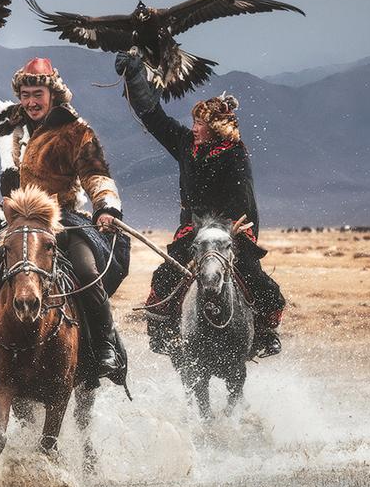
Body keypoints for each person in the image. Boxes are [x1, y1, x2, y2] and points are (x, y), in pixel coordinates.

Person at [0, 35, 130, 385]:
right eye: (25, 95)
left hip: (60, 219)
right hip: (10, 219)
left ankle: (104, 348)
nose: (31, 101)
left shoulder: (75, 131)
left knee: (86, 271)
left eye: (37, 95)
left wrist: (105, 208)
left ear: (53, 94)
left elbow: (97, 175)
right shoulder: (6, 118)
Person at [115, 51, 286, 357]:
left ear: (216, 128)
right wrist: (134, 79)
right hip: (193, 229)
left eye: (199, 123)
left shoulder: (234, 152)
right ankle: (163, 331)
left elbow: (244, 198)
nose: (193, 127)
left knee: (254, 276)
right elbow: (156, 119)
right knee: (165, 276)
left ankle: (264, 332)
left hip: (229, 229)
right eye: (193, 122)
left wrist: (237, 231)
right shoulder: (185, 144)